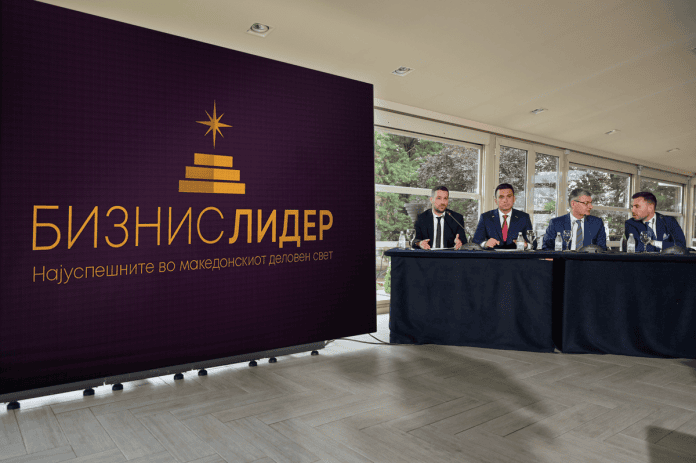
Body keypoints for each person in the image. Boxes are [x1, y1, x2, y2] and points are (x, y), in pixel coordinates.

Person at [542, 188, 607, 250]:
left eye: (590, 203)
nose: (591, 206)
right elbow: (546, 248)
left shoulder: (597, 223)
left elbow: (602, 249)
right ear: (573, 204)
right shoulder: (555, 223)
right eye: (586, 203)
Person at [473, 183, 531, 249]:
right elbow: (476, 241)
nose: (505, 200)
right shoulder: (485, 217)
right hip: (492, 255)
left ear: (514, 199)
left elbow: (533, 243)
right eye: (501, 197)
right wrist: (485, 244)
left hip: (516, 255)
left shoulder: (524, 217)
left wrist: (526, 245)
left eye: (509, 196)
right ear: (496, 201)